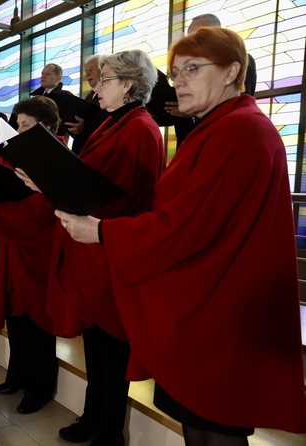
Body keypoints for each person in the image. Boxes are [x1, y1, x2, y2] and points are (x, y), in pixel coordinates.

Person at [56, 28, 306, 445]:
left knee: (215, 427)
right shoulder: (215, 127)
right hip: (200, 299)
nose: (180, 81)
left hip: (217, 308)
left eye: (192, 69)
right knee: (198, 423)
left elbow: (186, 224)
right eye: (175, 72)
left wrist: (101, 230)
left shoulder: (241, 129)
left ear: (232, 72)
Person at [20, 51, 165, 445]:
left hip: (109, 252)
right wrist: (47, 182)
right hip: (91, 252)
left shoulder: (140, 127)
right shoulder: (114, 123)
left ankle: (109, 430)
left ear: (128, 86)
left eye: (104, 80)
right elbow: (89, 179)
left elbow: (121, 195)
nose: (95, 88)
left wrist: (54, 186)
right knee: (96, 349)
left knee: (112, 351)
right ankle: (92, 417)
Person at [0, 96, 61, 414]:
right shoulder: (24, 154)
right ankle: (18, 375)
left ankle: (39, 388)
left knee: (37, 323)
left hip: (37, 249)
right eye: (17, 125)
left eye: (25, 125)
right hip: (15, 245)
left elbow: (45, 207)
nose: (18, 131)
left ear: (47, 125)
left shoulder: (56, 156)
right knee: (17, 318)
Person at [163, 13, 257, 145]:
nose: (178, 82)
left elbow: (236, 101)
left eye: (197, 36)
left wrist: (193, 112)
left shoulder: (240, 60)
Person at [64, 55, 109, 155]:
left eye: (91, 70)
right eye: (86, 71)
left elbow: (107, 121)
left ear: (103, 70)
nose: (87, 74)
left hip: (97, 151)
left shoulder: (109, 96)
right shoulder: (90, 96)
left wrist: (85, 126)